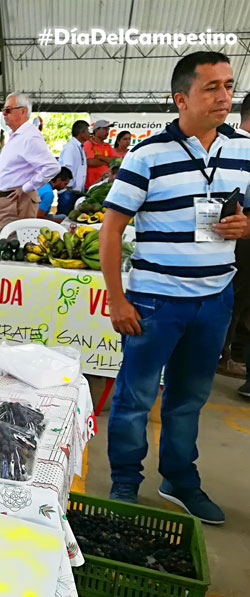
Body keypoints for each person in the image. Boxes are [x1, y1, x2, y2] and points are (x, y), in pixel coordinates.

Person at [100, 51, 250, 523]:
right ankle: (125, 480)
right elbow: (110, 229)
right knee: (135, 397)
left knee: (189, 398)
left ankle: (179, 479)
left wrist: (244, 226)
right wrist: (118, 298)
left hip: (214, 299)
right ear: (181, 98)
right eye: (212, 88)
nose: (224, 96)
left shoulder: (244, 149)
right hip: (155, 300)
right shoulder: (148, 155)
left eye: (228, 86)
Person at [0, 92, 58, 240]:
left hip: (15, 203)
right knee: (1, 249)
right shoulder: (17, 136)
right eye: (3, 110)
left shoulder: (29, 137)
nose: (4, 114)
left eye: (8, 110)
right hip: (5, 202)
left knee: (12, 249)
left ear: (23, 111)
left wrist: (26, 187)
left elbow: (52, 167)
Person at [226, 93, 250, 395]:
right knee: (236, 301)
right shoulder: (240, 149)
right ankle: (227, 355)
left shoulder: (224, 144)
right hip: (241, 239)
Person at [58, 119, 90, 214]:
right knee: (64, 219)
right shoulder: (70, 147)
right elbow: (67, 168)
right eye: (88, 131)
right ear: (82, 133)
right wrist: (69, 186)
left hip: (76, 191)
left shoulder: (79, 146)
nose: (89, 133)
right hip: (69, 191)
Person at [84, 119, 116, 188]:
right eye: (104, 129)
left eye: (108, 129)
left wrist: (99, 157)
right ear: (96, 130)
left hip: (105, 185)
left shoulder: (107, 146)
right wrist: (106, 162)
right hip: (90, 186)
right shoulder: (88, 144)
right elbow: (90, 162)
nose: (107, 132)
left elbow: (114, 161)